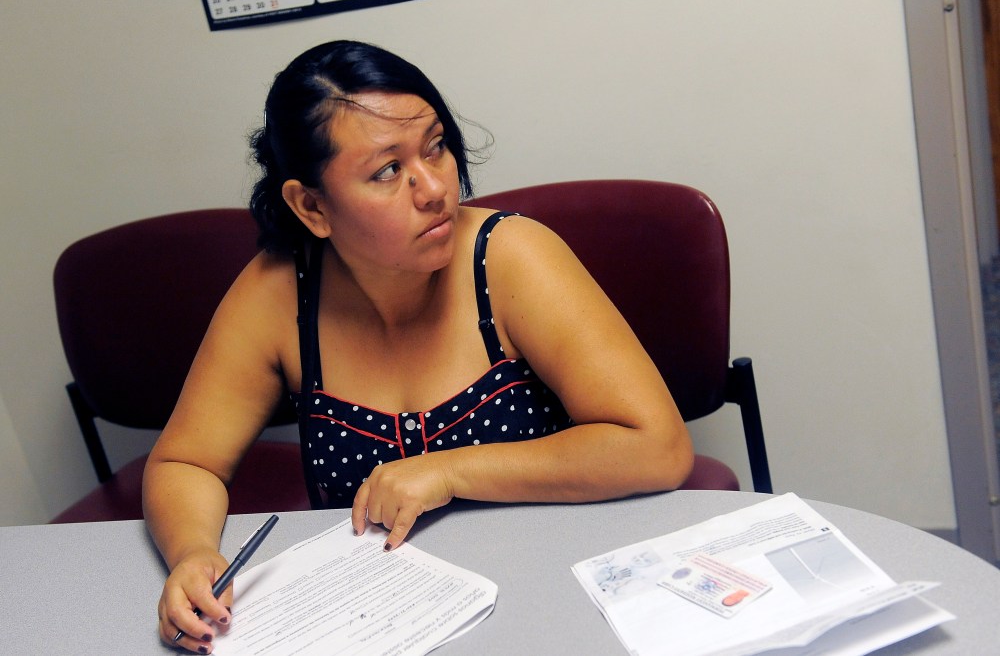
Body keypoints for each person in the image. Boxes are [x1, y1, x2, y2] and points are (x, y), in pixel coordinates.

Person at [143, 40, 694, 653]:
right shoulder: (278, 293)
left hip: (551, 599)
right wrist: (193, 554)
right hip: (374, 623)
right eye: (386, 171)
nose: (434, 187)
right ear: (313, 206)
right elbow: (186, 462)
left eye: (436, 147)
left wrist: (450, 471)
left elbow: (657, 447)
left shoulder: (510, 257)